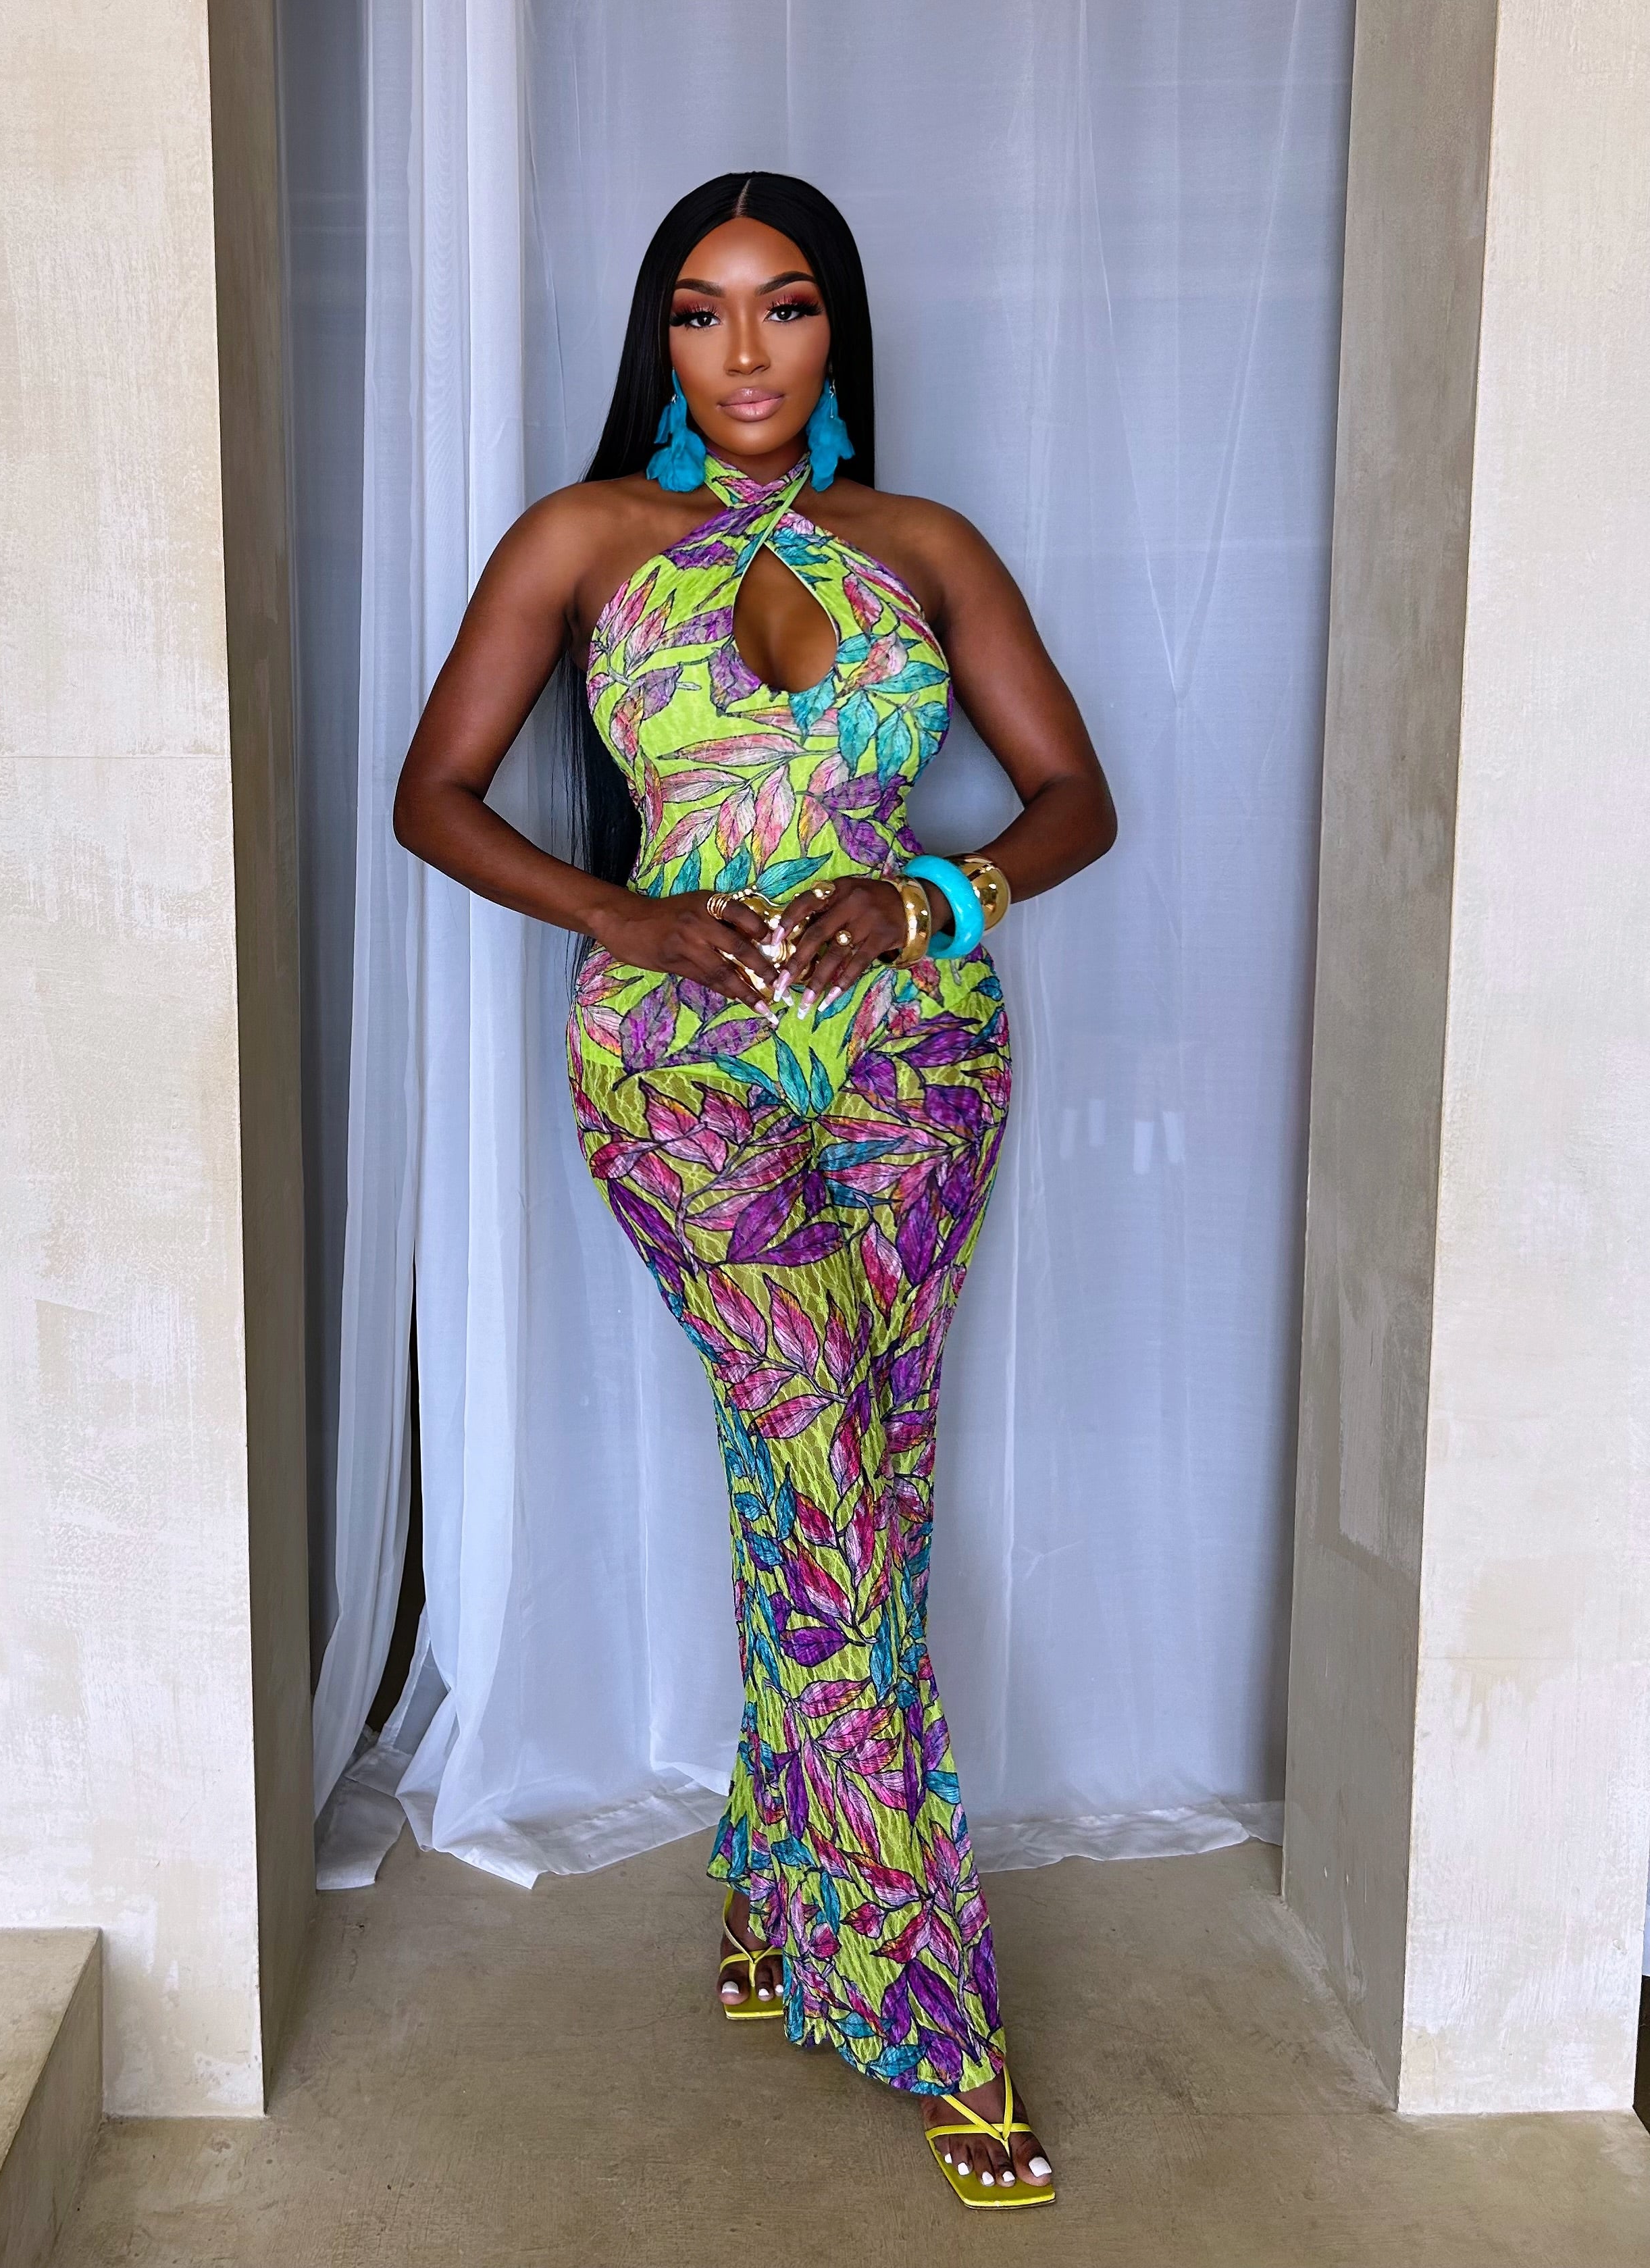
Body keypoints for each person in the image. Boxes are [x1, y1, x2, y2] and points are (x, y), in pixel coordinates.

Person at [394, 171, 1114, 2207]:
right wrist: (631, 918)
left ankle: (774, 1887)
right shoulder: (582, 537)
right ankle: (930, 2000)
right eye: (702, 312)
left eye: (785, 308)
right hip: (677, 1062)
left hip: (917, 1057)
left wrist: (929, 896)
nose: (744, 351)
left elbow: (1076, 798)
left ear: (834, 331)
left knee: (860, 1465)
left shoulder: (927, 547)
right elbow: (432, 794)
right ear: (663, 338)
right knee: (823, 1460)